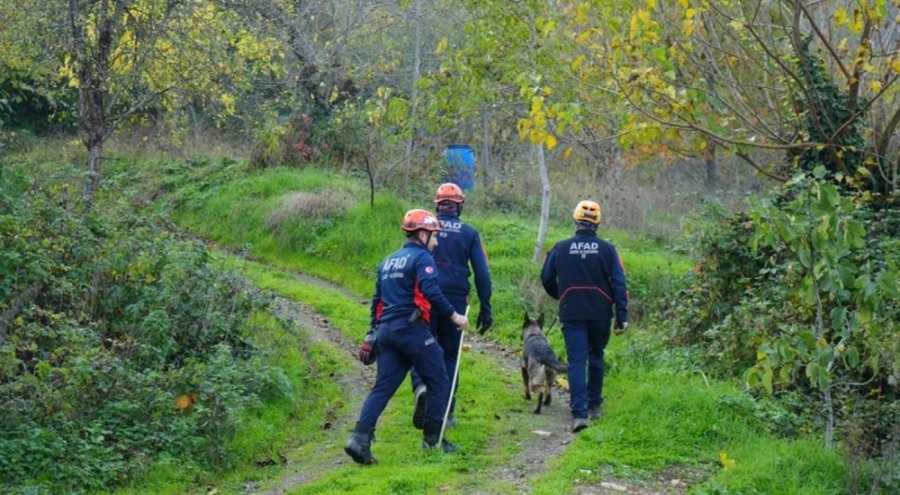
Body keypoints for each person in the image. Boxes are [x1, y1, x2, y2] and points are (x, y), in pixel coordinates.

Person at [344, 209, 470, 465]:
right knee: (439, 379)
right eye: (434, 236)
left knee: (382, 388)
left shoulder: (388, 261)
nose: (436, 243)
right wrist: (455, 316)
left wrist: (372, 332)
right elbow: (431, 291)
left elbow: (377, 303)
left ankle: (358, 440)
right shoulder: (422, 258)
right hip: (411, 329)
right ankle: (432, 442)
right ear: (422, 234)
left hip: (387, 332)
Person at [540, 200, 628, 433]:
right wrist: (622, 315)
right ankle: (595, 405)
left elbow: (546, 278)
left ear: (575, 220)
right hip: (600, 313)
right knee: (596, 356)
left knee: (577, 361)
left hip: (571, 311)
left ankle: (579, 414)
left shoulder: (560, 247)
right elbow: (619, 283)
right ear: (597, 223)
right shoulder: (609, 250)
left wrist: (561, 295)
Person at [410, 182, 493, 431]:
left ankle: (421, 387)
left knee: (419, 347)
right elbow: (482, 273)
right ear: (459, 206)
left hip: (424, 296)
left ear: (437, 204)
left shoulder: (423, 228)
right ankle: (446, 411)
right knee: (449, 355)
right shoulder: (469, 233)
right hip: (455, 301)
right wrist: (486, 307)